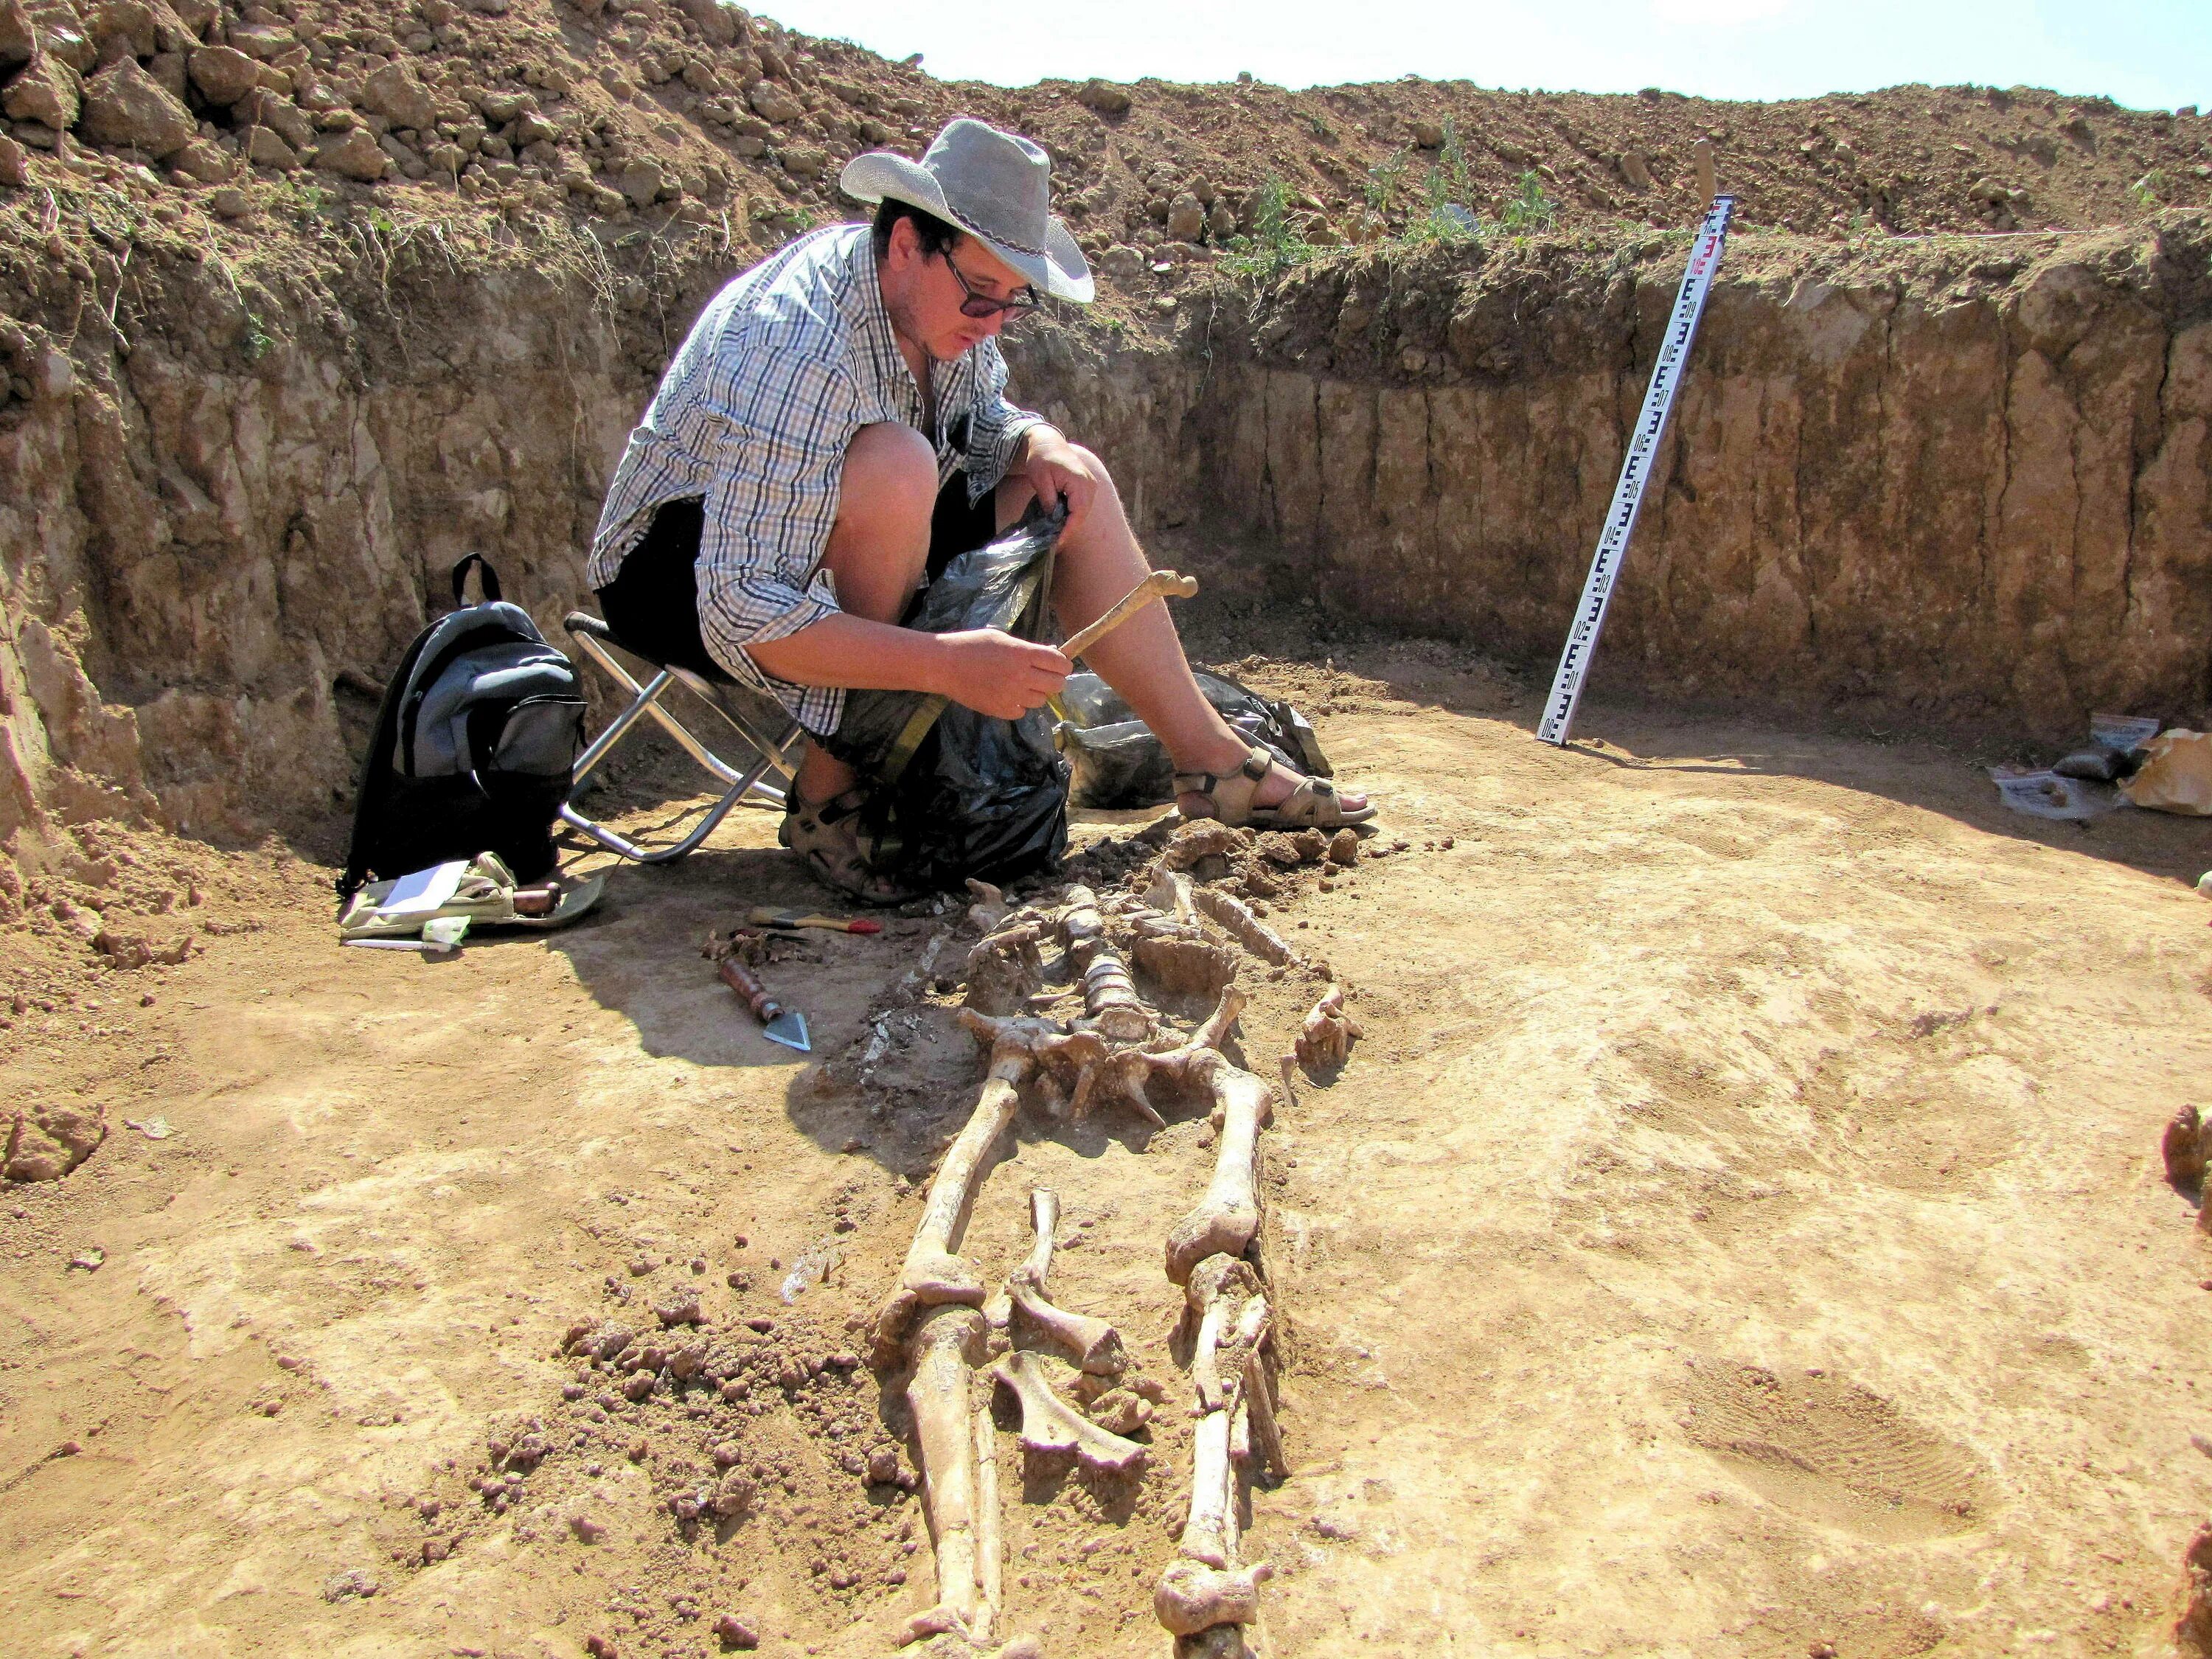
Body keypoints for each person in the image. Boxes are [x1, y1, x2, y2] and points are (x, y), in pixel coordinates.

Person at [587, 118, 1371, 901]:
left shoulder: (935, 310)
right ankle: (830, 798)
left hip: (842, 541)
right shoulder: (796, 347)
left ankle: (1214, 765)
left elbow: (984, 420)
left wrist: (1039, 444)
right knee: (898, 465)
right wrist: (946, 665)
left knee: (1069, 481)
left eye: (1012, 303)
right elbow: (741, 606)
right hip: (676, 573)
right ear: (906, 245)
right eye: (981, 296)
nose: (994, 323)